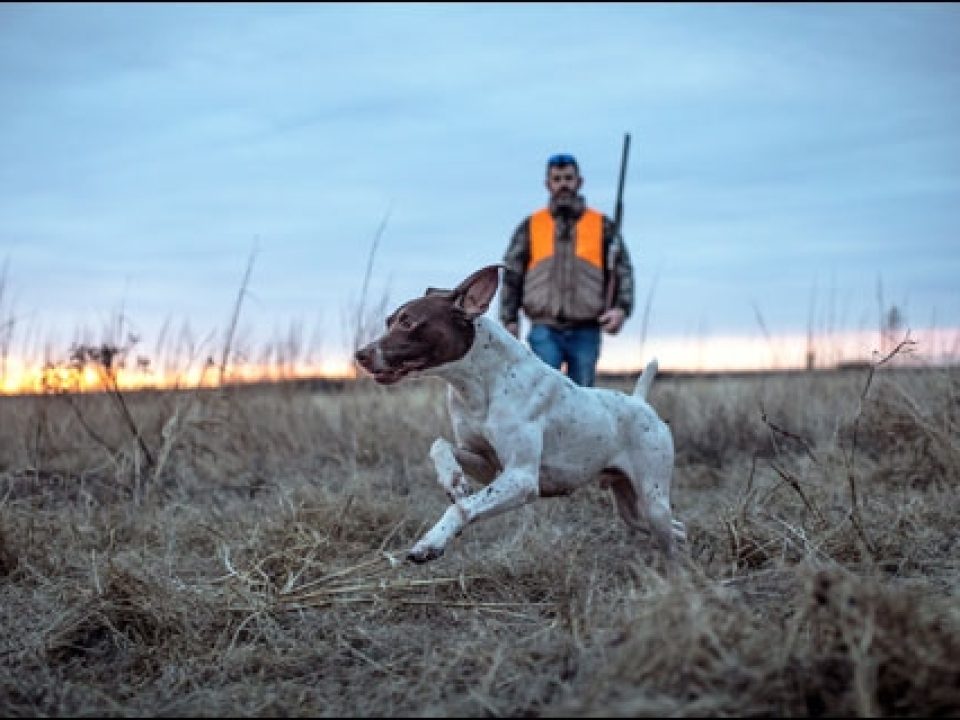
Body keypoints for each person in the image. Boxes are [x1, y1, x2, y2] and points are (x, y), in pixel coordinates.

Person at [499, 152, 634, 387]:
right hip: (544, 328)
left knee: (582, 399)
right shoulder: (531, 226)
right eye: (557, 179)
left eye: (568, 178)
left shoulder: (602, 225)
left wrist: (621, 309)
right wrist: (509, 318)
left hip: (587, 329)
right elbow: (512, 273)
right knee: (542, 394)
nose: (563, 184)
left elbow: (623, 270)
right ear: (548, 184)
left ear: (579, 182)